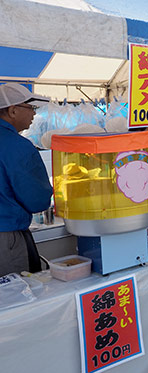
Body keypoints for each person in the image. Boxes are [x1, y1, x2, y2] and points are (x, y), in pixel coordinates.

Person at [0, 83, 52, 276]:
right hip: (6, 238)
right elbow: (37, 199)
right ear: (12, 111)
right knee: (14, 298)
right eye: (31, 108)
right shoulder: (17, 146)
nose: (34, 115)